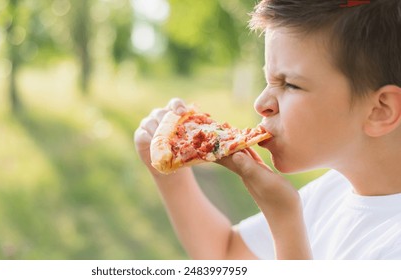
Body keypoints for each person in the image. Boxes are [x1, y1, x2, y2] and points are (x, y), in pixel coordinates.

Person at [134, 0, 401, 259]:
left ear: (380, 110)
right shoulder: (332, 190)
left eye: (290, 84)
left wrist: (286, 224)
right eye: (268, 79)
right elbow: (224, 253)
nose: (261, 104)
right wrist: (169, 170)